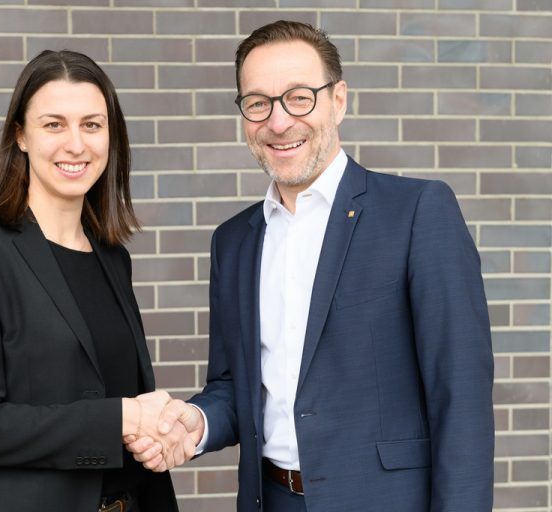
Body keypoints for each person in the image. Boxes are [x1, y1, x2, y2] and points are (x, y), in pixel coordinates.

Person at [127, 20, 495, 512]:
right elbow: (235, 386)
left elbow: (461, 395)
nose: (278, 122)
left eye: (299, 98)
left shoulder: (416, 212)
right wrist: (198, 422)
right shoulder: (233, 242)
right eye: (258, 103)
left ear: (338, 100)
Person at [0, 50, 191, 512]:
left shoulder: (112, 258)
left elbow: (114, 395)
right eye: (54, 125)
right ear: (21, 136)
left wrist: (158, 431)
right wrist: (123, 417)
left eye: (92, 125)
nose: (76, 144)